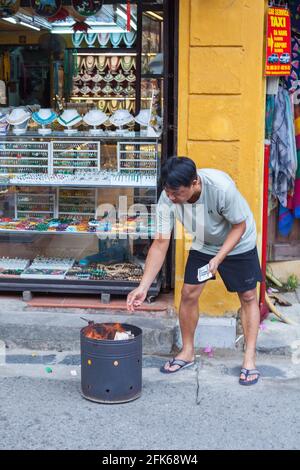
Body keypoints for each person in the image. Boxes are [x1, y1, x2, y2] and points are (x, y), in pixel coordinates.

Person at [127, 157, 263, 386]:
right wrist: (143, 286)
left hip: (238, 241)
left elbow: (240, 225)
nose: (171, 198)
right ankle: (187, 351)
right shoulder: (167, 198)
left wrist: (219, 259)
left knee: (248, 296)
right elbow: (160, 243)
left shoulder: (221, 188)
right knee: (189, 293)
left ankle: (249, 358)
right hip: (205, 243)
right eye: (168, 192)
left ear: (195, 183)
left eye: (177, 193)